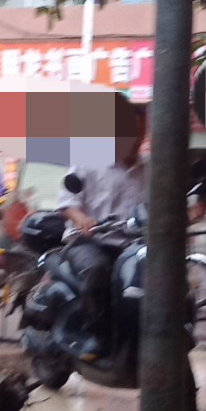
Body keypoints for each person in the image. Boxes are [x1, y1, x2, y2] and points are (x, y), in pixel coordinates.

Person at [59, 99, 149, 359]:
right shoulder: (87, 161)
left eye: (140, 132)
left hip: (133, 246)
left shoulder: (150, 168)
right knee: (98, 269)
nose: (135, 139)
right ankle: (95, 334)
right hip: (88, 241)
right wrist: (81, 219)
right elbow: (67, 203)